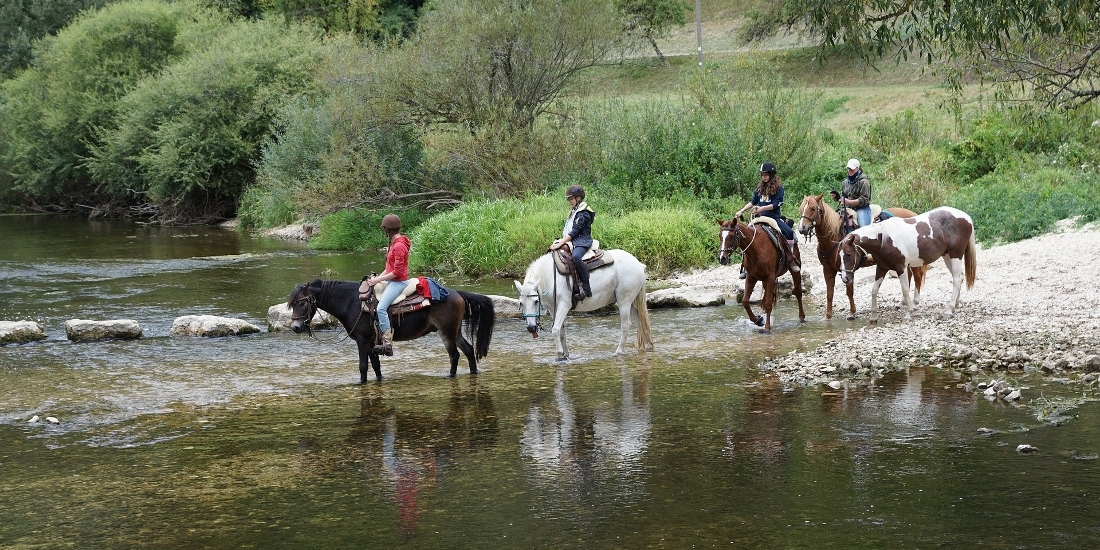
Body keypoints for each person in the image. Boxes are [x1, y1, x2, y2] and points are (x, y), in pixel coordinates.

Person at [734, 161, 800, 276]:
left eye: (766, 175)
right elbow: (753, 201)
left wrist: (761, 208)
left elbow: (776, 204)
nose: (764, 177)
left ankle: (790, 258)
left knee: (789, 232)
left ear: (771, 175)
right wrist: (741, 210)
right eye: (762, 175)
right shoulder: (759, 188)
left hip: (773, 218)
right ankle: (745, 266)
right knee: (745, 236)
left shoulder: (779, 188)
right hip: (759, 218)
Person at [363, 213, 410, 356]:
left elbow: (397, 272)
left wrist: (378, 280)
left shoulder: (399, 246)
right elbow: (389, 268)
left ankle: (387, 342)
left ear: (387, 229)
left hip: (399, 282)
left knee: (382, 308)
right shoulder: (394, 243)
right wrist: (379, 277)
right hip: (391, 279)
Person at [550, 184, 595, 300]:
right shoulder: (574, 211)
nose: (569, 201)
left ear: (578, 198)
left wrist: (561, 243)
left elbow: (574, 232)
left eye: (571, 199)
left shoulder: (583, 213)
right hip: (574, 240)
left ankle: (586, 287)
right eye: (569, 199)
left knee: (576, 257)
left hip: (582, 241)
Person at [831, 158, 872, 229]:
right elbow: (844, 196)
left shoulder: (864, 182)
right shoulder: (845, 182)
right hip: (848, 208)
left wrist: (849, 202)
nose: (850, 171)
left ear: (857, 168)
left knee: (864, 229)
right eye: (848, 168)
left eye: (852, 169)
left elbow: (865, 199)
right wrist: (838, 198)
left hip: (861, 208)